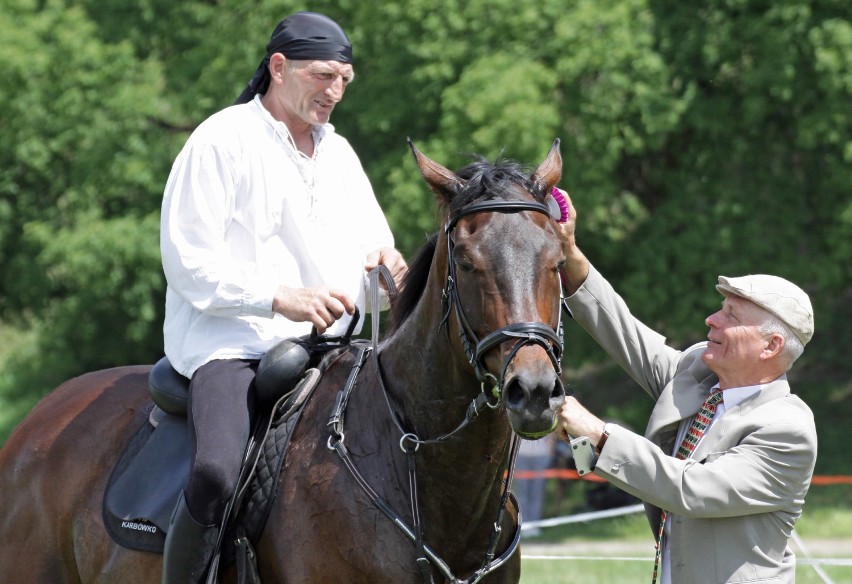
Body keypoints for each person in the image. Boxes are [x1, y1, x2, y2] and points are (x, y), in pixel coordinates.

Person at [158, 12, 407, 583]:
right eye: (323, 75)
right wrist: (278, 297)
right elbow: (187, 262)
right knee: (218, 473)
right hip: (232, 348)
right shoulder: (220, 139)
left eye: (345, 79)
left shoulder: (340, 155)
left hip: (332, 350)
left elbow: (371, 270)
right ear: (278, 67)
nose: (336, 90)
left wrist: (387, 271)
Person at [553, 191, 817, 583]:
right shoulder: (698, 375)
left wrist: (597, 435)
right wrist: (569, 253)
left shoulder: (787, 430)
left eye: (731, 315)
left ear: (771, 346)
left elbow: (691, 489)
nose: (711, 319)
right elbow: (626, 334)